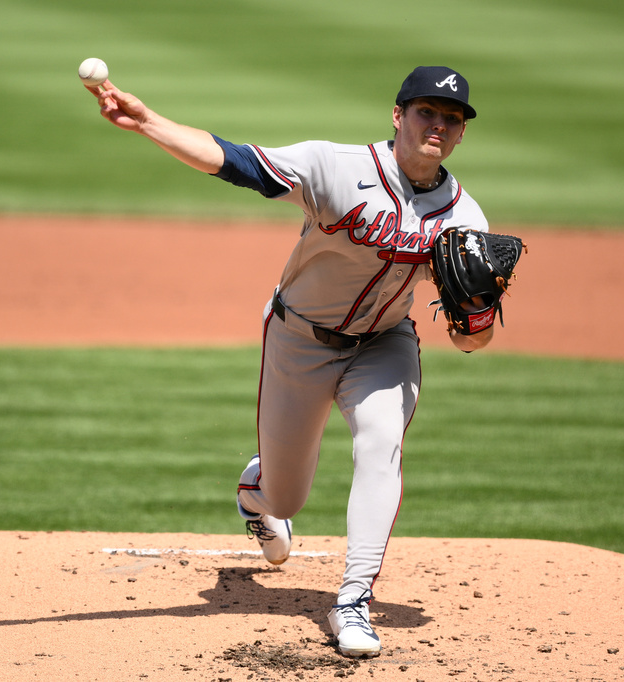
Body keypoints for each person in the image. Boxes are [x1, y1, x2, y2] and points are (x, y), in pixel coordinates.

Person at [87, 65, 493, 658]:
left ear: (460, 135)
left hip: (385, 344)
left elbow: (469, 342)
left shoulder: (466, 219)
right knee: (285, 499)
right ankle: (257, 493)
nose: (437, 125)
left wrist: (476, 318)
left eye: (451, 119)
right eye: (426, 112)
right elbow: (234, 162)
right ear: (398, 116)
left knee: (381, 443)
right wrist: (149, 122)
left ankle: (352, 600)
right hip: (298, 341)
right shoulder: (336, 166)